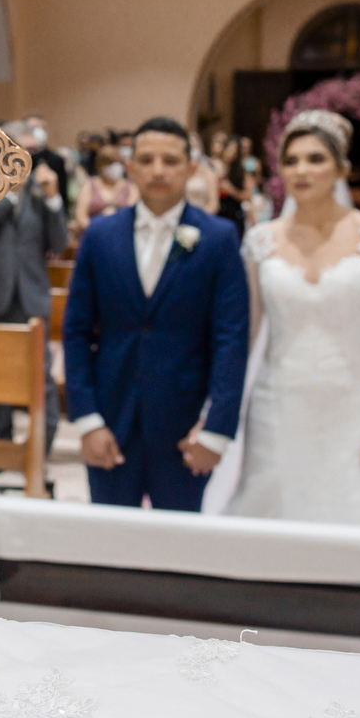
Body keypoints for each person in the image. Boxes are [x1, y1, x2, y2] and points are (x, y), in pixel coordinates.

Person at [226, 109, 360, 526]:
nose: (302, 170)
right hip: (277, 404)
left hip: (355, 404)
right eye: (291, 161)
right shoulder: (260, 241)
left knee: (353, 517)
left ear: (341, 169)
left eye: (316, 159)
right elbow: (242, 336)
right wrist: (218, 411)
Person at [63, 116, 248, 512]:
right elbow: (76, 331)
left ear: (191, 169)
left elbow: (231, 338)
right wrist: (87, 420)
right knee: (111, 550)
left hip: (185, 429)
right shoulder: (99, 236)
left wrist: (215, 430)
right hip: (111, 422)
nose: (158, 170)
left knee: (180, 553)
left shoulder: (218, 239)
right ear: (130, 169)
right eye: (146, 160)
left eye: (171, 160)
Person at [0, 120, 68, 454]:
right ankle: (2, 446)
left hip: (30, 297)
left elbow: (59, 243)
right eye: (20, 150)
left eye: (32, 152)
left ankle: (41, 451)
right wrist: (8, 195)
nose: (27, 158)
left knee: (43, 380)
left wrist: (53, 201)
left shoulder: (42, 188)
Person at [72, 145, 138, 242]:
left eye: (117, 163)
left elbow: (132, 214)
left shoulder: (130, 186)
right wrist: (98, 230)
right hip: (94, 236)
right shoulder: (89, 184)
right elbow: (80, 216)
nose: (115, 167)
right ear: (100, 166)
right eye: (109, 163)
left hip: (121, 237)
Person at [24, 113, 70, 208]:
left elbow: (62, 192)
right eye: (32, 128)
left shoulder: (56, 159)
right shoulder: (17, 158)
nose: (37, 132)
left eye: (39, 127)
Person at [217, 134, 253, 237]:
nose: (231, 153)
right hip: (217, 214)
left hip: (234, 215)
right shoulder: (215, 167)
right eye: (229, 149)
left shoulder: (241, 172)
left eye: (235, 151)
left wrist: (231, 190)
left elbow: (248, 195)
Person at [185, 132, 220, 214]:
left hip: (202, 218)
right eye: (190, 147)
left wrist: (199, 219)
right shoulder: (179, 172)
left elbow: (214, 204)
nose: (192, 151)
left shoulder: (207, 172)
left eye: (195, 147)